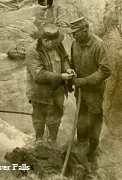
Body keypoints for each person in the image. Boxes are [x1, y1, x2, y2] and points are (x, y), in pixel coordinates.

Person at [68, 17, 111, 161]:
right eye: (72, 33)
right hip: (79, 91)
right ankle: (81, 142)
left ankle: (93, 149)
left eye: (75, 33)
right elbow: (72, 63)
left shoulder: (99, 46)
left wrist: (85, 81)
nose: (73, 36)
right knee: (81, 117)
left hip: (94, 92)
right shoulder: (75, 43)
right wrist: (69, 75)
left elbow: (105, 70)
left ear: (85, 30)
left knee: (94, 119)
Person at [25, 24, 76, 142]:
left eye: (57, 42)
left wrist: (67, 69)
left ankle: (52, 140)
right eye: (53, 43)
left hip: (57, 88)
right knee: (39, 117)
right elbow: (39, 75)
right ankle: (38, 140)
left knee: (55, 117)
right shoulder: (33, 51)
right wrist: (62, 76)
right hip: (39, 91)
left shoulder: (57, 44)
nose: (56, 45)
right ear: (45, 40)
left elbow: (64, 59)